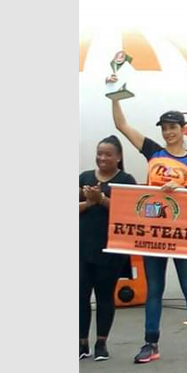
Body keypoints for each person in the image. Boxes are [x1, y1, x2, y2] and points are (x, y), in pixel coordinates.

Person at [108, 86, 187, 364]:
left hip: (182, 234)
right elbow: (122, 125)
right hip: (152, 231)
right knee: (154, 289)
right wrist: (115, 96)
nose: (168, 132)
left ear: (183, 129)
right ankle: (150, 343)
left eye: (173, 127)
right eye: (164, 128)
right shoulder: (153, 151)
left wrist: (181, 188)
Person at [79, 135, 137, 361]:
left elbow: (129, 211)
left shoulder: (126, 180)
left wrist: (102, 199)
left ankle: (101, 342)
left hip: (111, 249)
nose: (102, 158)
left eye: (108, 154)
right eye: (99, 153)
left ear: (119, 157)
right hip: (82, 247)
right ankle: (81, 343)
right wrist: (90, 201)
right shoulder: (84, 177)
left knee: (104, 296)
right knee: (80, 296)